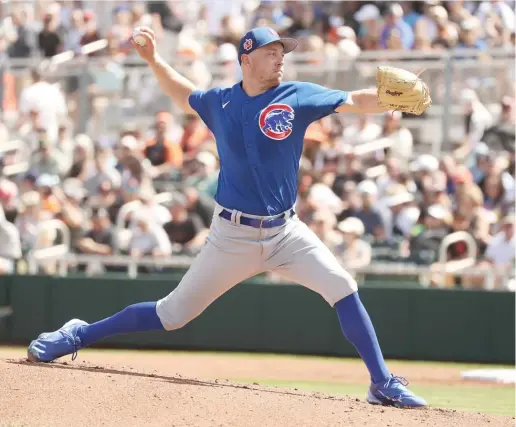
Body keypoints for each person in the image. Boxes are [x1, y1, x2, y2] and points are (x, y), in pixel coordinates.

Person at [27, 26, 428, 409]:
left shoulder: (297, 95)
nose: (280, 60)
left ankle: (381, 382)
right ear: (246, 58)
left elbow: (355, 100)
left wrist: (390, 98)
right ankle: (79, 332)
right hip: (231, 236)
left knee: (342, 285)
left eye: (282, 54)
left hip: (286, 232)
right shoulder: (221, 101)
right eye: (271, 53)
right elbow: (182, 92)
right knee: (172, 315)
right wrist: (152, 60)